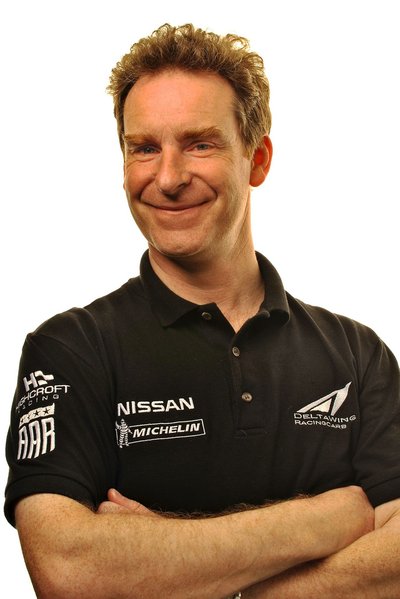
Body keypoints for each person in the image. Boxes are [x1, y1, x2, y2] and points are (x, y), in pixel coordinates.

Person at [4, 23, 400, 598]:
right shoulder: (69, 350)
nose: (167, 178)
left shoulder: (358, 356)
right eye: (144, 148)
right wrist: (326, 519)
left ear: (257, 159)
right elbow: (68, 571)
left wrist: (170, 565)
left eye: (199, 144)